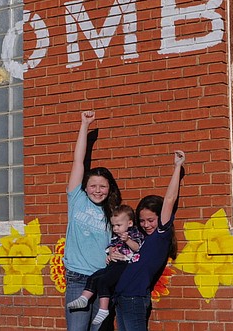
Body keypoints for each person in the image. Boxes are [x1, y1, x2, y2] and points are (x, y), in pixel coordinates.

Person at [111, 150, 185, 331]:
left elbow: (169, 199)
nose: (146, 225)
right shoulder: (140, 238)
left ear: (161, 218)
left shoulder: (161, 235)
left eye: (150, 220)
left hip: (134, 298)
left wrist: (177, 167)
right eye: (142, 221)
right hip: (120, 296)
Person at [64, 110, 119, 331]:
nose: (98, 190)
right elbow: (78, 161)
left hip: (103, 280)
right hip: (78, 277)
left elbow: (119, 240)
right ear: (85, 187)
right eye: (93, 186)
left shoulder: (112, 212)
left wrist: (115, 252)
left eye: (103, 186)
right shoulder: (76, 199)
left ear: (109, 188)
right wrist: (85, 125)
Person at [66, 204, 145, 326]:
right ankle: (84, 298)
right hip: (114, 264)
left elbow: (137, 247)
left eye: (118, 225)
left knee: (103, 281)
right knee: (94, 276)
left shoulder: (134, 233)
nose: (115, 228)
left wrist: (127, 240)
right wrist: (110, 254)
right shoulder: (117, 236)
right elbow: (111, 248)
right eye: (113, 226)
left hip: (124, 265)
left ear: (129, 223)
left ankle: (103, 309)